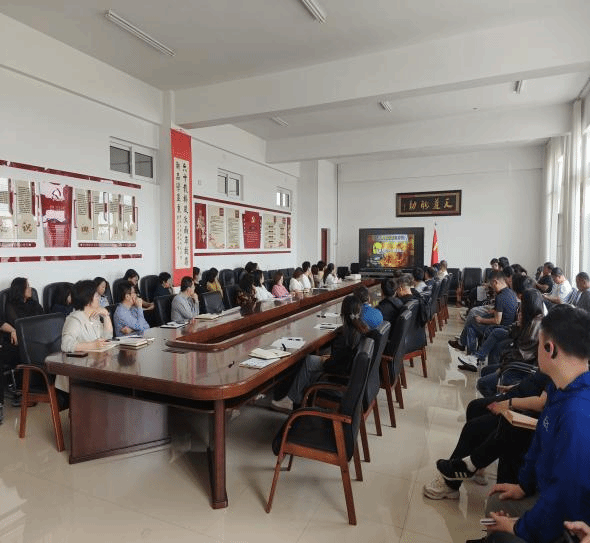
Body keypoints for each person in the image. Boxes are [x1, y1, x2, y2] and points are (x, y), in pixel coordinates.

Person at [477, 305, 590, 543]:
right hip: (546, 491)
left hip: (570, 521)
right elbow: (539, 443)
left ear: (550, 349)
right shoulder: (559, 389)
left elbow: (566, 496)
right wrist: (523, 486)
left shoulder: (577, 413)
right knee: (496, 503)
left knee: (500, 530)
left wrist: (519, 528)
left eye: (539, 343)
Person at [422, 370, 550, 501]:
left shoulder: (558, 368)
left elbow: (541, 403)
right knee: (475, 407)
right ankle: (475, 466)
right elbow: (538, 382)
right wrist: (516, 387)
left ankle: (452, 481)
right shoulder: (553, 367)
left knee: (474, 428)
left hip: (524, 410)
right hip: (517, 395)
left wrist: (509, 403)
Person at [271, 295, 368, 411]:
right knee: (310, 360)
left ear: (343, 313)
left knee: (308, 361)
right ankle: (298, 398)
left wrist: (325, 360)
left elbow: (334, 367)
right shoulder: (362, 329)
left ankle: (293, 400)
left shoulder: (346, 337)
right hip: (350, 379)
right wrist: (329, 358)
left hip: (339, 381)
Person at [474, 289, 544, 395]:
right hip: (517, 363)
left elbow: (521, 354)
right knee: (485, 371)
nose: (520, 306)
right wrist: (519, 324)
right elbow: (514, 335)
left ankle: (499, 401)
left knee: (482, 384)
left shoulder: (536, 325)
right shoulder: (530, 319)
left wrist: (502, 367)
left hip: (521, 369)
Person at [459, 288, 543, 373]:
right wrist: (517, 324)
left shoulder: (536, 323)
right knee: (494, 331)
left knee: (473, 327)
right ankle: (475, 357)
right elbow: (515, 326)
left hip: (517, 342)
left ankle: (473, 356)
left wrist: (481, 320)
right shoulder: (528, 312)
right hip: (513, 331)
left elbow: (523, 344)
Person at [450, 270, 518, 357]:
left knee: (471, 324)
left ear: (495, 282)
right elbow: (505, 309)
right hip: (509, 324)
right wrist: (494, 311)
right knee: (472, 322)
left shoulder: (500, 297)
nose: (492, 288)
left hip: (500, 327)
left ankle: (469, 353)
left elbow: (497, 321)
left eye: (491, 285)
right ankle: (469, 353)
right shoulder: (510, 292)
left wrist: (481, 320)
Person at [61, 280, 113, 352]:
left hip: (97, 357)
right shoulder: (75, 319)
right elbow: (66, 345)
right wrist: (92, 345)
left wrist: (106, 316)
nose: (99, 298)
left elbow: (107, 337)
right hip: (83, 358)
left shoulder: (95, 316)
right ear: (87, 299)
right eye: (97, 295)